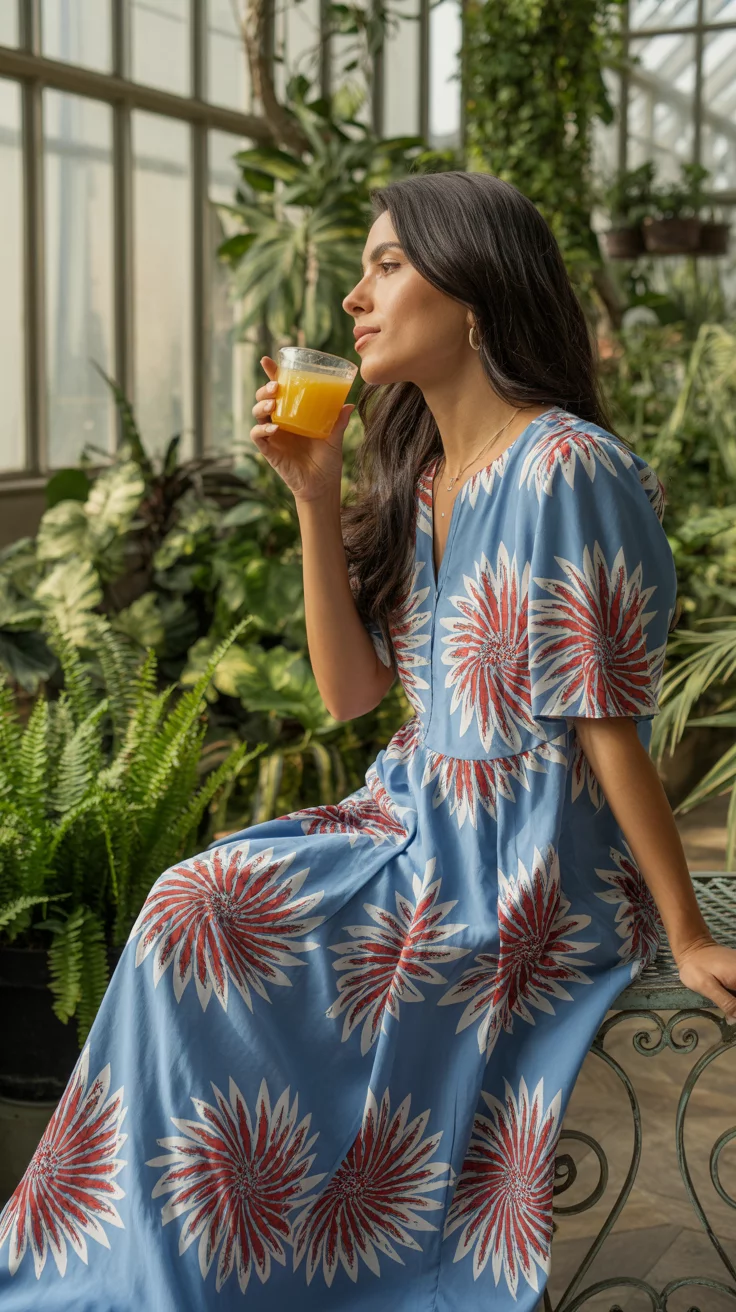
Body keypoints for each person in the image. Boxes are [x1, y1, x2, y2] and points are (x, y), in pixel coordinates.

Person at [1, 171, 735, 1312]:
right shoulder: (431, 475)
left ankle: (213, 1271)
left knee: (206, 914)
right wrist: (314, 490)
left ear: (476, 290)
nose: (354, 296)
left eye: (387, 263)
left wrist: (683, 932)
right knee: (189, 905)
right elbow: (351, 694)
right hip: (408, 815)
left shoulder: (564, 466)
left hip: (525, 859)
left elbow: (604, 719)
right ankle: (155, 1264)